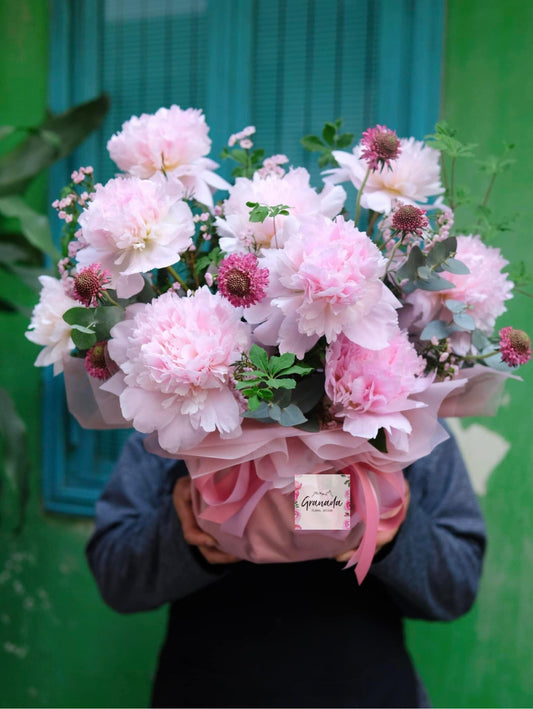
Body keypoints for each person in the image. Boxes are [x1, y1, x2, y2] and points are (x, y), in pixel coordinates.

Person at [86, 427, 486, 708]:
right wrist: (184, 532)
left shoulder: (403, 419)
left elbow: (458, 585)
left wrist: (392, 531)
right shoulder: (174, 419)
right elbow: (115, 573)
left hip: (370, 695)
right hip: (205, 691)